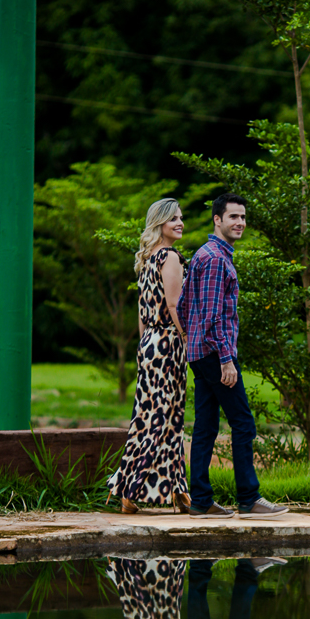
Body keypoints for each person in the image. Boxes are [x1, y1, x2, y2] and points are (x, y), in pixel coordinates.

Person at [177, 192, 289, 518]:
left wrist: (194, 342)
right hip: (215, 353)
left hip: (201, 352)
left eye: (243, 217)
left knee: (206, 426)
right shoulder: (215, 259)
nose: (240, 222)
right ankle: (249, 498)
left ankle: (200, 501)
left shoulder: (206, 254)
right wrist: (226, 358)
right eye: (233, 217)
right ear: (217, 219)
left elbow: (183, 306)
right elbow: (213, 317)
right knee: (242, 423)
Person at [106, 197, 191, 515]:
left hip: (150, 342)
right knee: (164, 419)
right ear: (159, 224)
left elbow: (143, 311)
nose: (180, 223)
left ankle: (179, 491)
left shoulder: (148, 258)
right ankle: (129, 489)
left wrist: (145, 346)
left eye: (181, 218)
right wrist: (187, 338)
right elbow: (174, 305)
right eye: (173, 219)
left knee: (155, 418)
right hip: (168, 342)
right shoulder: (170, 257)